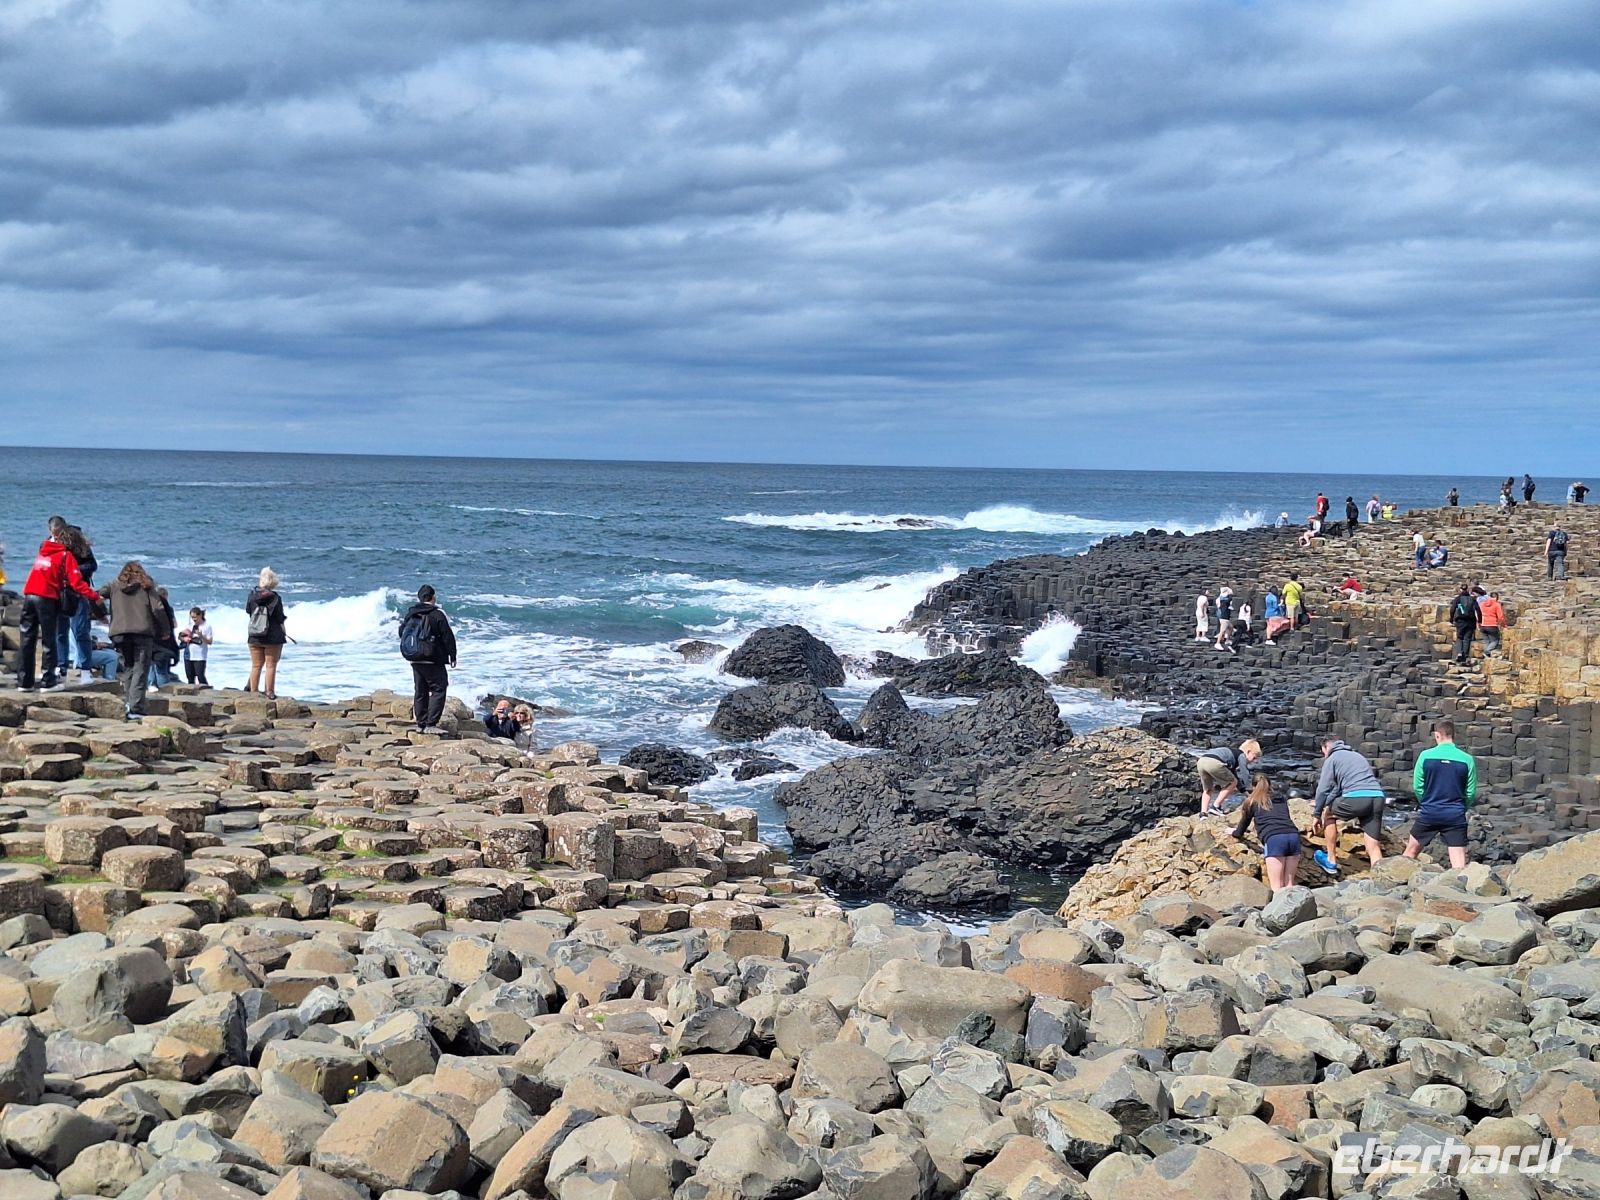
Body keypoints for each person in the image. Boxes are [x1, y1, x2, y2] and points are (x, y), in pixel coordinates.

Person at [17, 516, 104, 691]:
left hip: (29, 595)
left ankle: (24, 682)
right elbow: (77, 583)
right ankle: (49, 681)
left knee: (27, 639)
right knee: (50, 639)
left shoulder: (44, 550)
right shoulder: (65, 556)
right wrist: (95, 596)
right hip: (47, 598)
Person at [1309, 736, 1387, 875]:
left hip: (1357, 798)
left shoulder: (1332, 758)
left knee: (1329, 815)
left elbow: (1323, 789)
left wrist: (1317, 812)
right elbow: (1338, 789)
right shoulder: (1357, 756)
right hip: (1378, 797)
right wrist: (1327, 801)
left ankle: (1331, 861)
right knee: (1373, 844)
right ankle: (1380, 876)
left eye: (1323, 752)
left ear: (1326, 747)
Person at [1405, 719, 1476, 869]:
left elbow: (1418, 786)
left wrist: (1425, 802)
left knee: (1410, 852)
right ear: (1453, 736)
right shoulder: (1467, 759)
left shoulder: (1425, 756)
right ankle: (1461, 888)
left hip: (1430, 812)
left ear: (1437, 735)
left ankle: (1392, 882)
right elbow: (1470, 792)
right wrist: (1462, 808)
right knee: (1459, 864)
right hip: (1454, 814)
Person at [106, 561, 171, 720]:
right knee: (140, 669)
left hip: (120, 632)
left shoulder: (113, 585)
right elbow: (157, 609)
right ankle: (136, 708)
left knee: (128, 668)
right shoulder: (146, 586)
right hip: (142, 632)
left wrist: (99, 614)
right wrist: (165, 630)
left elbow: (95, 597)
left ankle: (129, 702)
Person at [399, 584, 458, 733]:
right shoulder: (437, 614)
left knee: (420, 690)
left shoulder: (411, 613)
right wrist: (452, 655)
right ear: (433, 597)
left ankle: (421, 724)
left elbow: (402, 632)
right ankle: (431, 724)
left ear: (419, 598)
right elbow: (447, 636)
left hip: (414, 658)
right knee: (439, 688)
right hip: (432, 658)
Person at [1231, 775, 1301, 892]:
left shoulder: (1252, 802)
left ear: (1253, 786)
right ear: (1270, 785)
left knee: (1277, 887)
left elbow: (1242, 827)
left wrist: (1234, 833)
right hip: (1293, 836)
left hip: (1274, 839)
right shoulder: (1281, 799)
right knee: (1289, 885)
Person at [55, 525, 98, 684]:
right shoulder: (57, 550)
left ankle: (85, 668)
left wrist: (74, 570)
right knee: (61, 631)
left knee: (80, 630)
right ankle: (61, 665)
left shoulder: (84, 550)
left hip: (78, 592)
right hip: (60, 592)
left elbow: (92, 565)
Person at [245, 568, 288, 698]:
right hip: (272, 636)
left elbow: (248, 611)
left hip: (254, 635)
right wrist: (284, 631)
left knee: (256, 665)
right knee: (270, 665)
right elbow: (279, 617)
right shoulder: (275, 598)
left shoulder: (252, 596)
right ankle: (269, 692)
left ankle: (253, 691)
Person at [1196, 739, 1261, 817]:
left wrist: (1243, 791)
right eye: (1254, 758)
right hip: (1214, 762)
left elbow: (1234, 775)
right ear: (1248, 751)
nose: (1254, 761)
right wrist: (1250, 789)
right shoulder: (1241, 755)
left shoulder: (1232, 755)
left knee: (1208, 789)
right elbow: (1244, 772)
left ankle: (1203, 813)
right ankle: (1215, 806)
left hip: (1201, 761)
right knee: (1232, 782)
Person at [148, 587, 180, 689]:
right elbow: (174, 624)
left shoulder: (148, 608)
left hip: (150, 643)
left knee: (151, 667)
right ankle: (164, 692)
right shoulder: (168, 608)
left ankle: (151, 686)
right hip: (165, 644)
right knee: (162, 671)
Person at [179, 607, 214, 686]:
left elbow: (210, 642)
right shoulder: (189, 625)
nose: (193, 619)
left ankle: (208, 691)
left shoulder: (207, 626)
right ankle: (191, 695)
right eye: (192, 617)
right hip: (188, 654)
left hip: (200, 656)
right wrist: (184, 638)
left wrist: (201, 636)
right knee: (190, 677)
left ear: (200, 615)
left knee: (200, 676)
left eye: (195, 617)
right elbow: (180, 635)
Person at [1449, 583, 1479, 664]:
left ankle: (1459, 653)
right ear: (1468, 590)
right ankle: (1465, 655)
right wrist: (1480, 620)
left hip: (1460, 621)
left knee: (1460, 637)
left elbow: (1452, 609)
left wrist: (1451, 619)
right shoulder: (1472, 599)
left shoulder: (1458, 599)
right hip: (1470, 621)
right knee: (1467, 638)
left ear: (1461, 590)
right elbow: (1478, 610)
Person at [1477, 589, 1505, 655]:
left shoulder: (1482, 604)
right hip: (1492, 625)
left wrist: (1478, 624)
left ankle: (1486, 657)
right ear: (1497, 598)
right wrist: (1503, 625)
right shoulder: (1496, 605)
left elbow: (1478, 614)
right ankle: (1487, 651)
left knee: (1487, 641)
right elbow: (1500, 616)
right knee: (1495, 640)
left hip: (1483, 625)